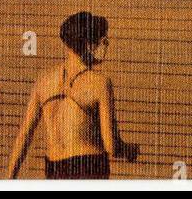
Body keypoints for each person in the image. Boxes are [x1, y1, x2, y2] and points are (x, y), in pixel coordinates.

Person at [7, 12, 139, 179]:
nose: (105, 46)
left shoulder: (44, 81)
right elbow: (111, 145)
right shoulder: (99, 83)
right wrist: (129, 150)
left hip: (55, 168)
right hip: (90, 167)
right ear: (88, 45)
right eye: (102, 41)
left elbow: (24, 135)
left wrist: (10, 177)